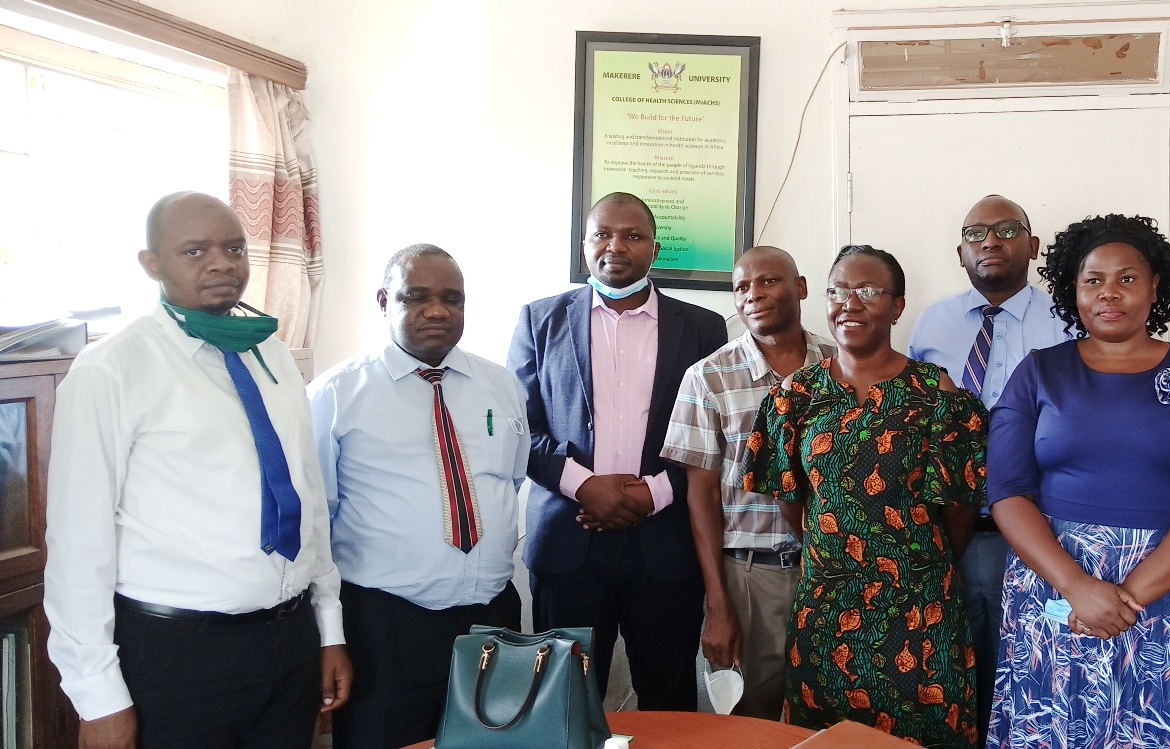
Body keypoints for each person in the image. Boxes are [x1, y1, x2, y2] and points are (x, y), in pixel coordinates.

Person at [44, 192, 350, 749]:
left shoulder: (273, 357)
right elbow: (76, 545)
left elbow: (305, 497)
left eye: (234, 247)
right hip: (178, 654)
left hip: (288, 639)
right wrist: (98, 697)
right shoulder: (111, 370)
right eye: (194, 250)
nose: (221, 263)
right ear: (151, 263)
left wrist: (328, 629)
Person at [986, 214, 1170, 749]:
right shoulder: (1039, 372)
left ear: (1156, 287)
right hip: (1055, 591)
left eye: (1127, 278)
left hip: (1167, 592)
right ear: (1073, 289)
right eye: (1093, 280)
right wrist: (1078, 587)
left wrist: (1126, 597)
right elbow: (1007, 491)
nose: (1109, 293)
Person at [744, 245, 986, 748]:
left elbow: (960, 510)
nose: (849, 304)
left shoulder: (937, 395)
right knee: (823, 740)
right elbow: (791, 499)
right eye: (838, 291)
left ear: (897, 306)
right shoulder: (794, 396)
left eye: (868, 292)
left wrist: (914, 563)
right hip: (826, 611)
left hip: (920, 612)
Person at [508, 192, 727, 710]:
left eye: (633, 235)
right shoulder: (540, 320)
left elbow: (714, 435)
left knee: (669, 700)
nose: (616, 246)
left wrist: (653, 493)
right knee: (563, 706)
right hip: (569, 542)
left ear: (655, 248)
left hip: (666, 547)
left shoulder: (701, 328)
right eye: (602, 234)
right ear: (583, 244)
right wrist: (584, 485)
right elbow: (520, 428)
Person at [308, 244, 530, 749]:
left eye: (453, 299)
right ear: (385, 300)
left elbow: (511, 481)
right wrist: (328, 635)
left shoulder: (500, 385)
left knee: (494, 743)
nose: (438, 311)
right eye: (418, 297)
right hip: (384, 624)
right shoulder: (336, 395)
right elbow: (315, 520)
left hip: (491, 616)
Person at [908, 195, 1078, 723]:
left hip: (1040, 531)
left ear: (1033, 245)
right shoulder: (932, 324)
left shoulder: (1068, 321)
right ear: (959, 252)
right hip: (951, 532)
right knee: (952, 666)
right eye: (976, 232)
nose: (990, 241)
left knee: (1032, 670)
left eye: (1006, 229)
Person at [661, 246, 834, 720]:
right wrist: (718, 603)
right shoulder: (707, 378)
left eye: (769, 281)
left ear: (800, 287)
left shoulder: (841, 367)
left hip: (835, 574)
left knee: (833, 717)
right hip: (750, 575)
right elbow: (701, 495)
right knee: (747, 721)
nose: (754, 294)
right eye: (741, 287)